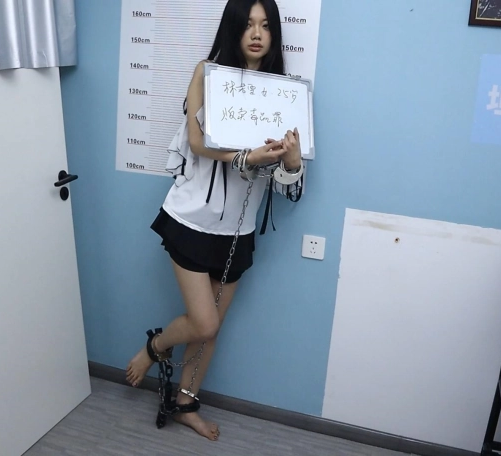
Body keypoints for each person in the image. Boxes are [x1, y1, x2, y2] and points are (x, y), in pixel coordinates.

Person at [125, 0, 304, 441]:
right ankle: (155, 347)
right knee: (203, 322)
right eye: (248, 24)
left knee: (211, 330)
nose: (257, 34)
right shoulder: (206, 73)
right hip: (191, 220)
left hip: (238, 232)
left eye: (266, 25)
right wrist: (246, 157)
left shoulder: (283, 93)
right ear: (233, 28)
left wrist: (293, 162)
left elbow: (288, 183)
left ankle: (186, 404)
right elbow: (197, 141)